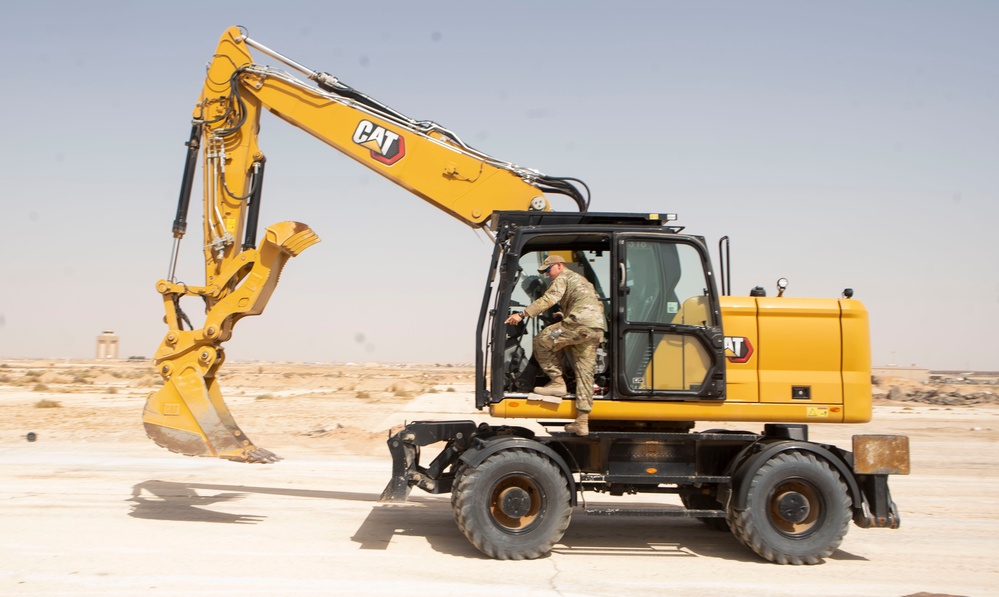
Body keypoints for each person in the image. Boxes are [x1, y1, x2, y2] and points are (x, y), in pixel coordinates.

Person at [505, 255, 606, 436]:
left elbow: (548, 299)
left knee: (542, 341)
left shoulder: (563, 277)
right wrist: (565, 315)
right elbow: (592, 305)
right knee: (585, 372)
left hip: (579, 324)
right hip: (595, 328)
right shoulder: (583, 281)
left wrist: (522, 314)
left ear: (559, 266)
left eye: (548, 270)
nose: (547, 274)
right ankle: (582, 422)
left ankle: (557, 382)